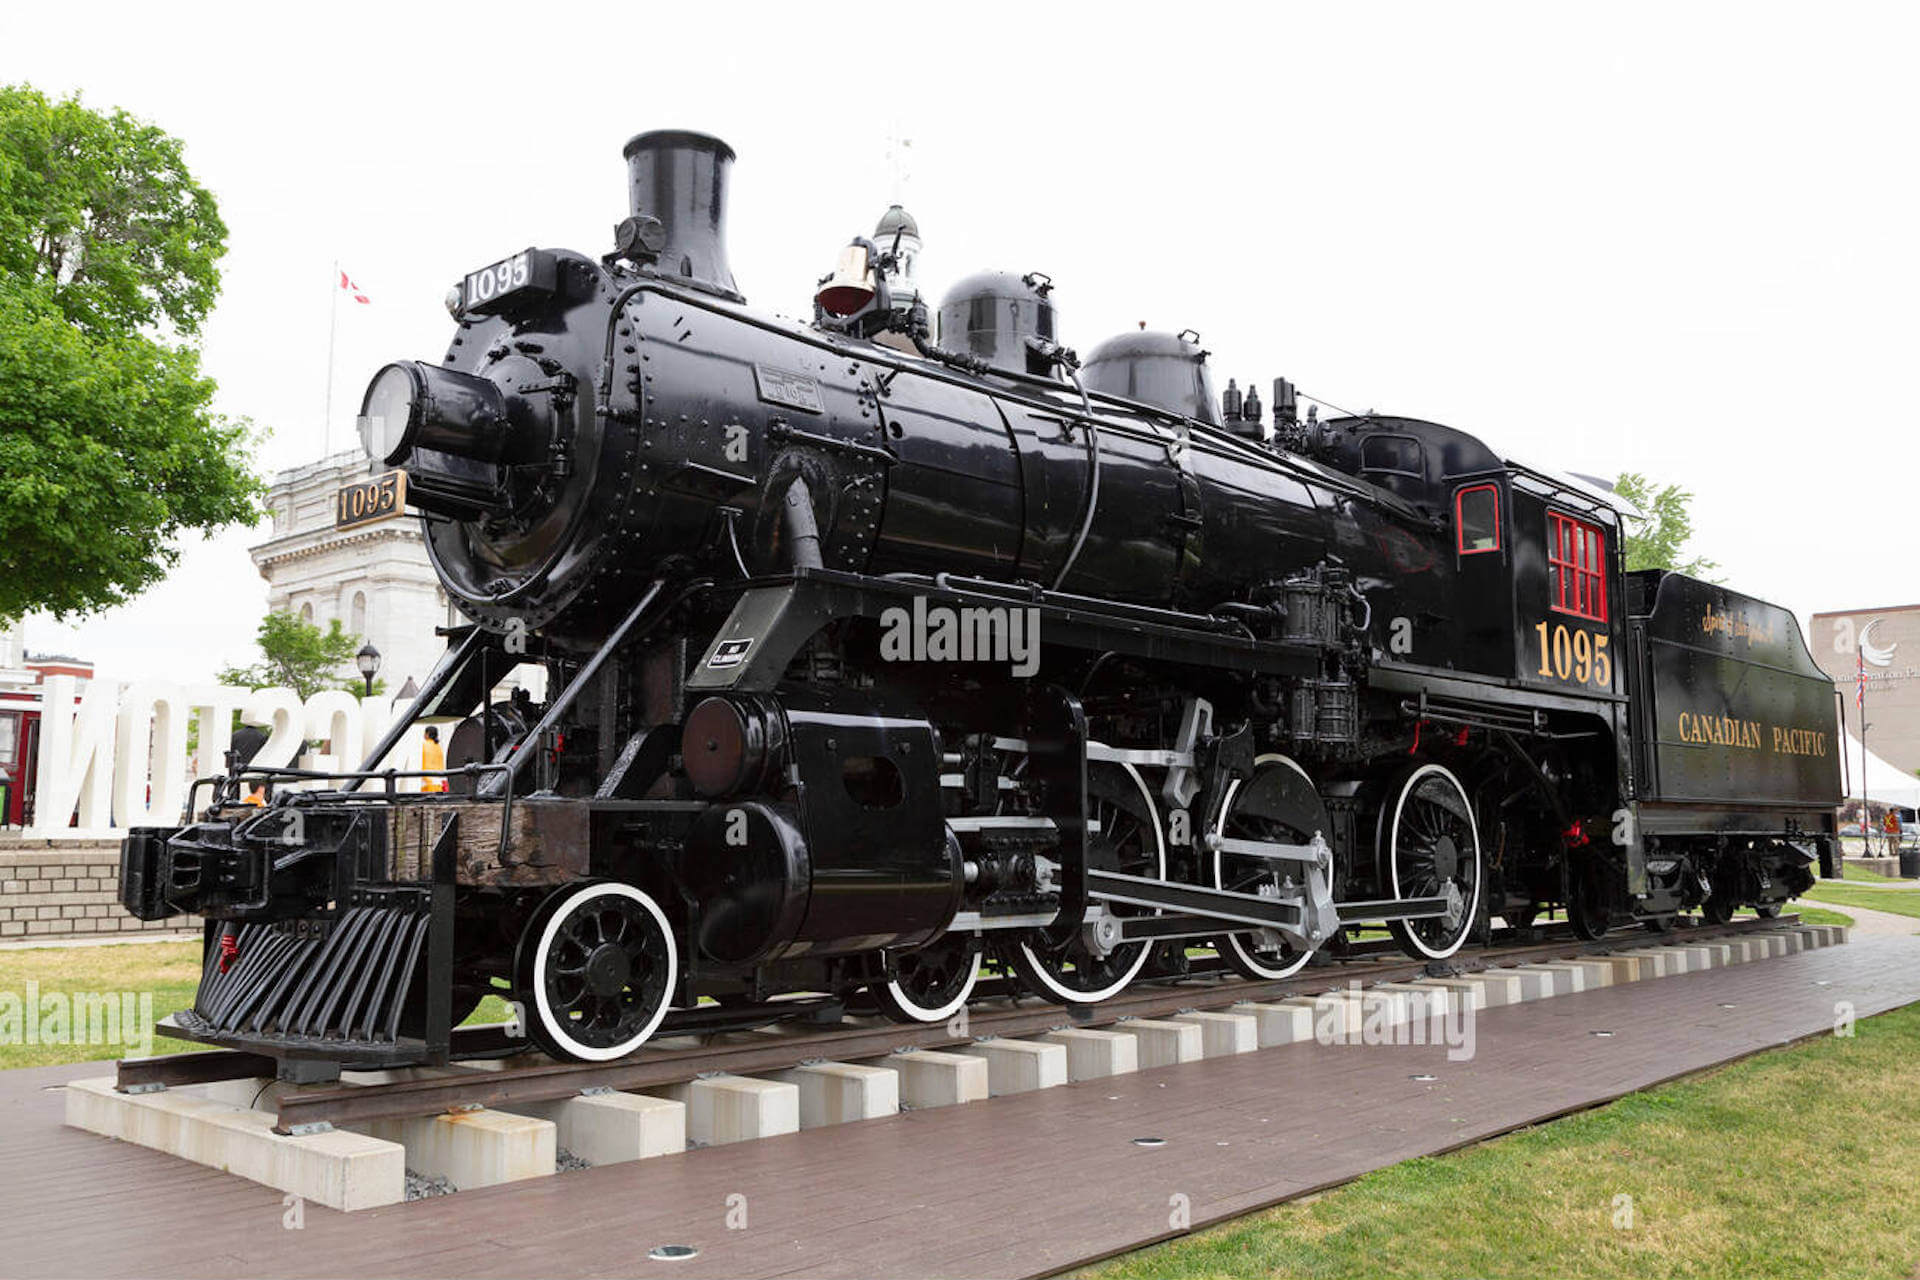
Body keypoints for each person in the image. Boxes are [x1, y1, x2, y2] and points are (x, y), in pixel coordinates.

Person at [420, 726, 448, 793]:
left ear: (427, 734)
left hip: (428, 779)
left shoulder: (424, 745)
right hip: (439, 780)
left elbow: (423, 763)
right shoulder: (438, 747)